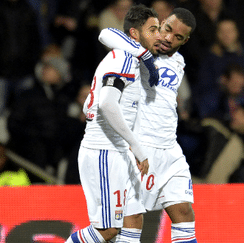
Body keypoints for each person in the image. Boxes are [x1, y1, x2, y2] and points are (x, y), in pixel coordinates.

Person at [98, 7, 198, 242]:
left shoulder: (179, 62)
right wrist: (141, 53)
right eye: (168, 30)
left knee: (184, 212)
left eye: (178, 37)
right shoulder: (138, 49)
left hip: (170, 151)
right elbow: (104, 34)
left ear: (186, 40)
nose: (169, 38)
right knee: (128, 224)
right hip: (140, 149)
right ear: (161, 24)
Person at [64, 5, 160, 243]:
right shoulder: (125, 59)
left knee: (133, 218)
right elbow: (107, 104)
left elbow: (94, 103)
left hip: (118, 150)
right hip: (104, 152)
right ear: (135, 34)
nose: (158, 35)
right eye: (152, 29)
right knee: (107, 230)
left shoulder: (128, 59)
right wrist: (138, 148)